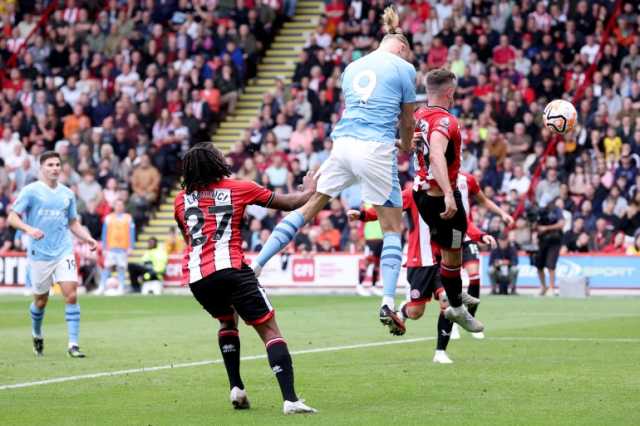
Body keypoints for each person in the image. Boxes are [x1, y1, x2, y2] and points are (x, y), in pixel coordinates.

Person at [251, 7, 416, 334]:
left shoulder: (352, 67)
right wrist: (407, 145)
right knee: (393, 228)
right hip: (375, 149)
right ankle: (386, 299)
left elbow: (360, 109)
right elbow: (407, 119)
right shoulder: (404, 67)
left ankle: (255, 267)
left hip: (342, 146)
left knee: (308, 207)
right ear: (401, 48)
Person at [174, 143, 317, 414]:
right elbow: (290, 203)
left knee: (228, 320)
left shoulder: (181, 199)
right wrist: (310, 189)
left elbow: (189, 239)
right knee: (270, 331)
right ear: (215, 163)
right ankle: (290, 399)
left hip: (198, 276)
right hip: (231, 269)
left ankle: (236, 388)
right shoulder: (239, 188)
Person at [348, 187, 496, 362]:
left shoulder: (448, 193)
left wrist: (480, 236)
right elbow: (390, 209)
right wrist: (363, 215)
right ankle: (404, 310)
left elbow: (462, 221)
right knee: (416, 312)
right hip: (419, 262)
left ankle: (440, 352)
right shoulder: (412, 193)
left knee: (446, 301)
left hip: (441, 258)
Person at [7, 151, 97, 358]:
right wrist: (29, 230)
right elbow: (12, 217)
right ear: (41, 168)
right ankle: (36, 333)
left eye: (57, 164)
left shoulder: (67, 194)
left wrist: (87, 238)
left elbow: (73, 222)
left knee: (71, 294)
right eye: (50, 165)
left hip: (63, 250)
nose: (55, 168)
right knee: (41, 301)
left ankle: (73, 344)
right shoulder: (31, 191)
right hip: (39, 253)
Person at [412, 68, 482, 332]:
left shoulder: (418, 115)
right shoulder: (447, 121)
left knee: (450, 250)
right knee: (453, 255)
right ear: (449, 93)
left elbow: (412, 145)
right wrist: (450, 195)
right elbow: (436, 156)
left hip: (422, 193)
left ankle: (455, 295)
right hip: (440, 196)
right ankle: (456, 308)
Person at [456, 171, 514, 339]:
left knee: (474, 277)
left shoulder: (467, 179)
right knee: (451, 283)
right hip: (447, 236)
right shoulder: (437, 177)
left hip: (467, 235)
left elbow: (483, 201)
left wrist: (502, 213)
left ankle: (470, 320)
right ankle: (450, 323)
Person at [99, 199, 135, 294]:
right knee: (107, 267)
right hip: (111, 247)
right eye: (117, 205)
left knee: (121, 268)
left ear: (123, 206)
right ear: (114, 206)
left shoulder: (128, 218)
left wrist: (131, 247)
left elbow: (132, 233)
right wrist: (104, 247)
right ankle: (101, 286)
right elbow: (104, 233)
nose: (119, 207)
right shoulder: (108, 218)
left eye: (121, 205)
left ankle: (121, 287)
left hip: (123, 248)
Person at [534, 199, 565, 296]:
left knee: (551, 265)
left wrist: (546, 228)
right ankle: (543, 287)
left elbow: (561, 224)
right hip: (541, 240)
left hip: (554, 240)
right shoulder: (538, 211)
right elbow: (534, 224)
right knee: (539, 265)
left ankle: (551, 287)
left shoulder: (556, 210)